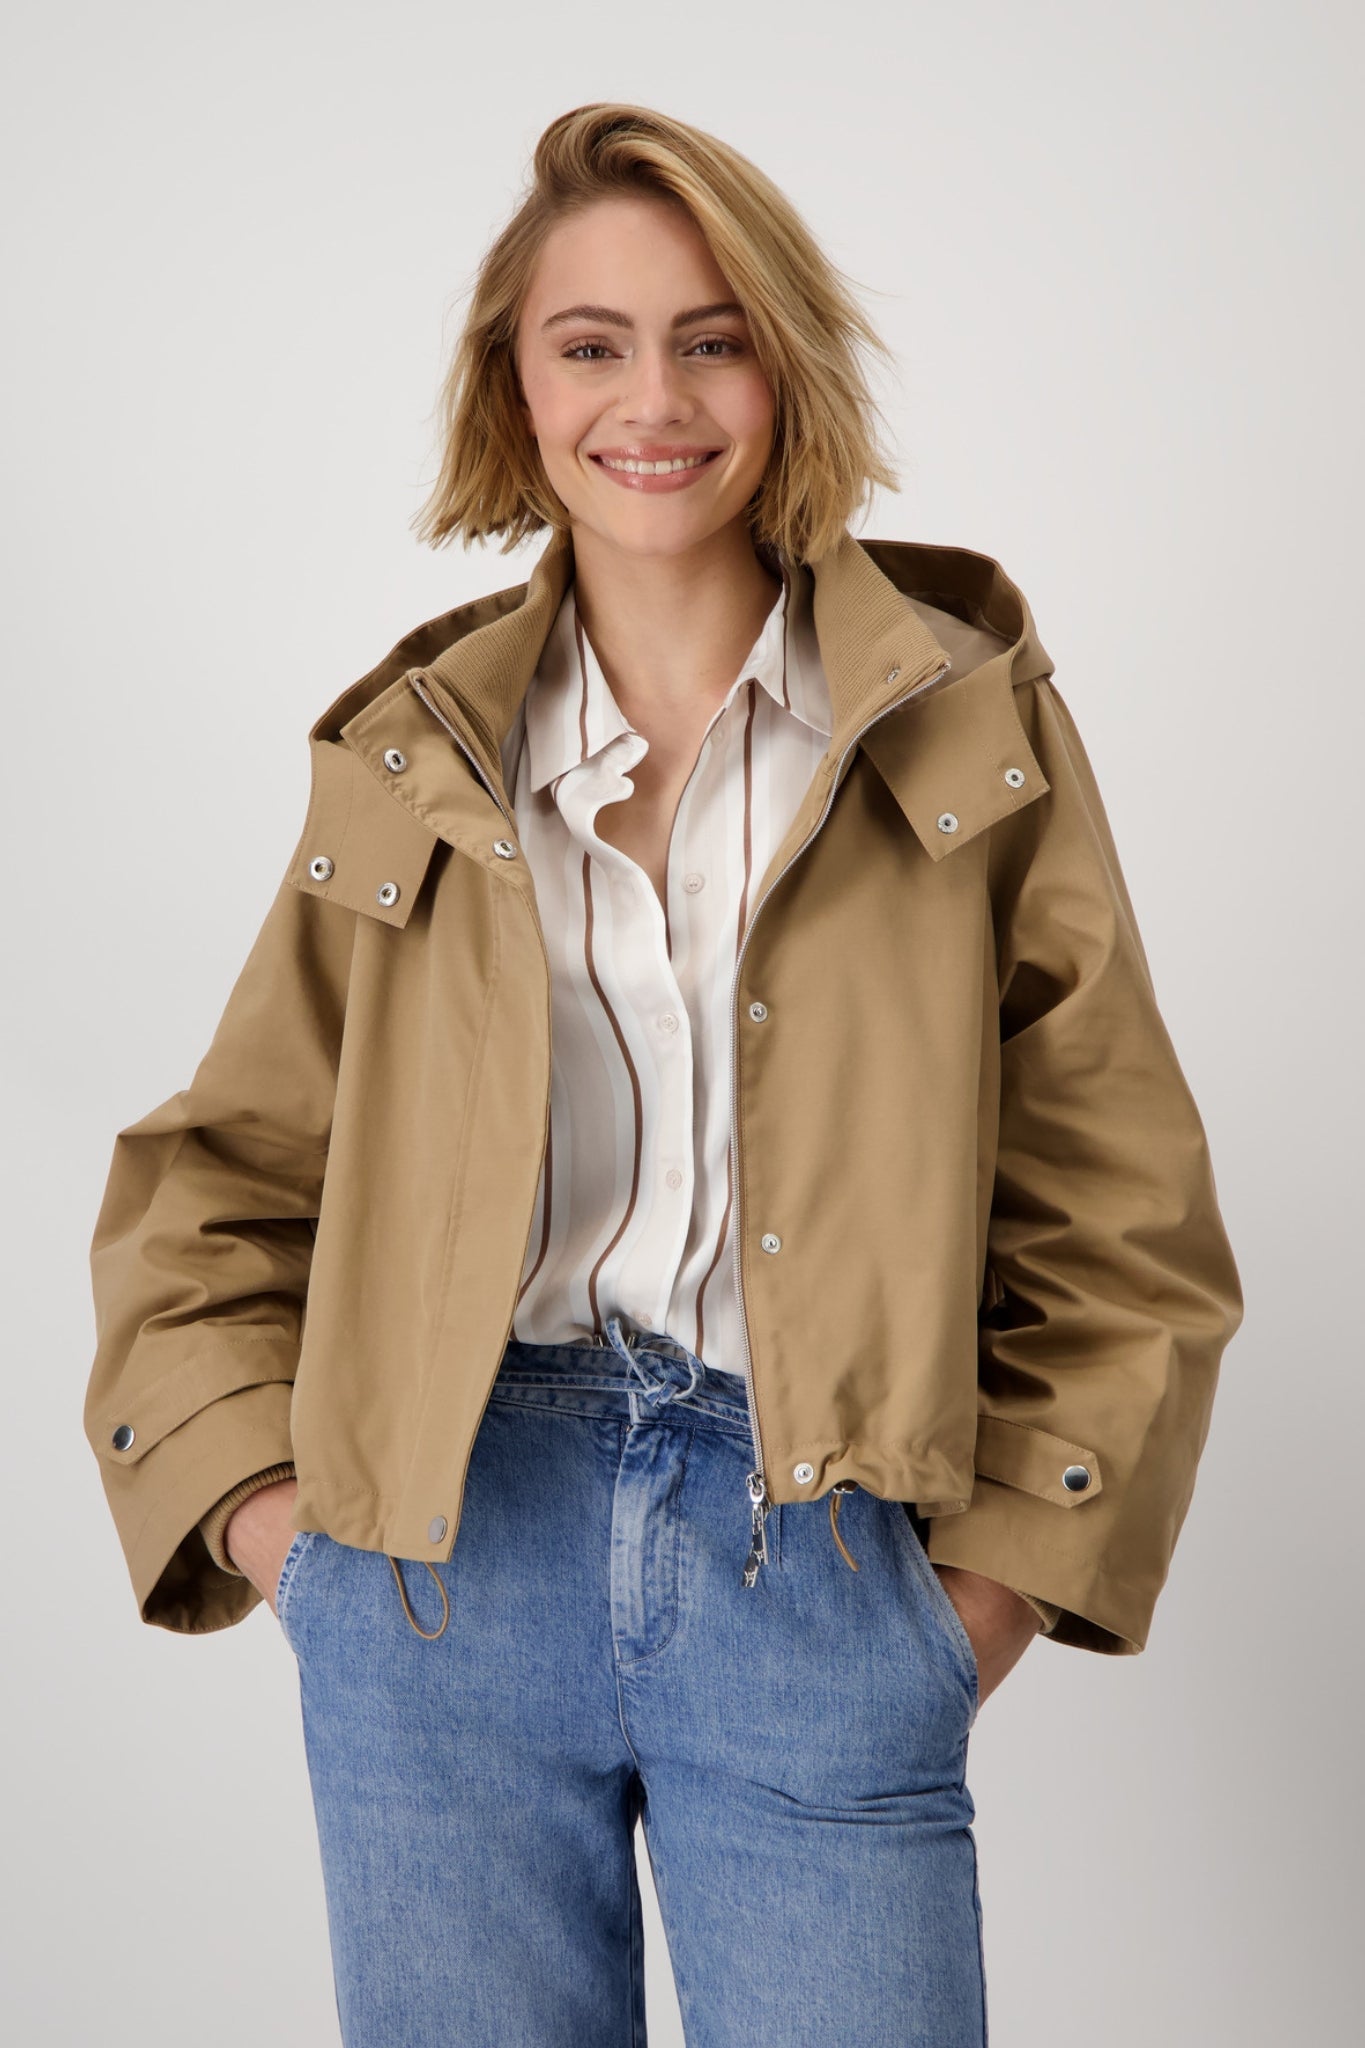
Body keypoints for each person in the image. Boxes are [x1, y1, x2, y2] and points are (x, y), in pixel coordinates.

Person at [85, 102, 1244, 2046]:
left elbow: (1118, 1201)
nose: (654, 400)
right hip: (447, 1565)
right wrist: (300, 1549)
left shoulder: (959, 724)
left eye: (712, 338)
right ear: (514, 386)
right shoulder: (413, 756)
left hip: (814, 1553)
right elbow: (217, 1180)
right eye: (590, 344)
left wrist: (970, 1604)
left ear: (785, 368)